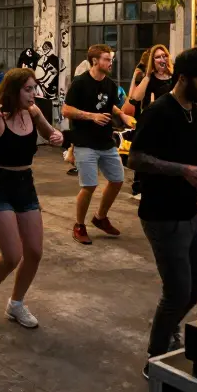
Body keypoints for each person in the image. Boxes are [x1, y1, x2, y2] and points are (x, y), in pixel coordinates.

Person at [128, 48, 197, 373]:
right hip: (161, 215)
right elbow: (135, 158)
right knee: (176, 292)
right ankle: (155, 359)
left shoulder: (196, 110)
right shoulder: (159, 111)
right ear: (183, 78)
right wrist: (181, 171)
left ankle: (169, 326)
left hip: (188, 212)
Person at [0, 68, 64, 329]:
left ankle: (16, 303)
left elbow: (50, 134)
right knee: (12, 255)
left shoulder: (33, 112)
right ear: (14, 91)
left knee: (34, 252)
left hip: (25, 184)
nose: (33, 93)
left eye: (34, 88)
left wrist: (58, 137)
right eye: (28, 89)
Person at [63, 44, 131, 245]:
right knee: (89, 185)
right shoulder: (80, 83)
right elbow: (66, 110)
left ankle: (100, 217)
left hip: (106, 141)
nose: (111, 63)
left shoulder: (110, 84)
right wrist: (91, 116)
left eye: (111, 59)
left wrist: (122, 114)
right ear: (95, 61)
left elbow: (110, 105)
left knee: (117, 180)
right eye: (107, 59)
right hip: (85, 142)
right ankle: (79, 225)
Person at [123, 45, 173, 198]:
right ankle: (141, 185)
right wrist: (147, 76)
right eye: (158, 57)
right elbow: (135, 99)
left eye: (164, 56)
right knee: (148, 156)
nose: (162, 59)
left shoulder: (174, 76)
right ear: (152, 61)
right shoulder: (148, 78)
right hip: (150, 123)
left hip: (170, 124)